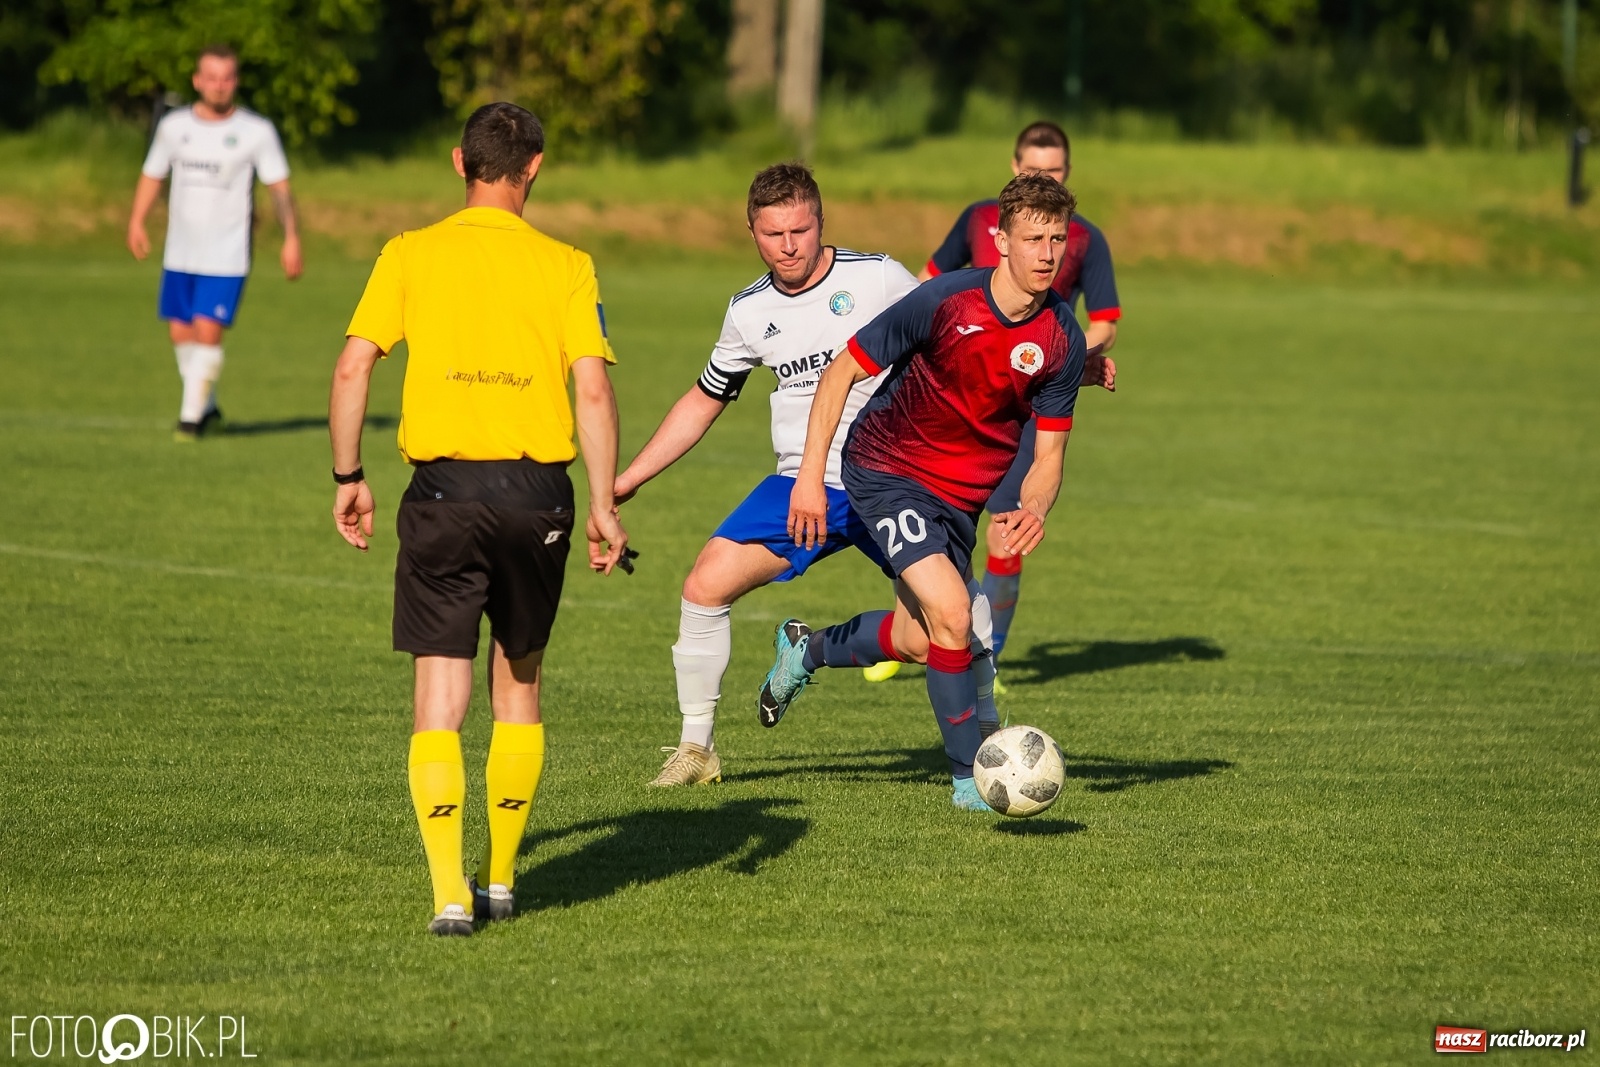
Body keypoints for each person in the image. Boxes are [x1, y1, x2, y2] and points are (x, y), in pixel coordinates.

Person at [327, 102, 627, 936]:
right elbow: (592, 387)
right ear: (535, 168)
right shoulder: (568, 264)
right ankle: (500, 877)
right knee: (518, 681)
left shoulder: (408, 252)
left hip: (442, 493)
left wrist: (350, 474)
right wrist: (603, 503)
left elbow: (353, 367)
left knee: (440, 690)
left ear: (460, 162)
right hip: (539, 496)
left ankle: (448, 894)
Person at [762, 173, 1090, 812]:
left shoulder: (1061, 338)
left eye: (1057, 240)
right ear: (1001, 241)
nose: (1047, 254)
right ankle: (971, 780)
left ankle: (807, 650)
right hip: (888, 469)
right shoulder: (944, 301)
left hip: (960, 499)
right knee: (954, 614)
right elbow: (841, 371)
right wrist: (809, 476)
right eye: (1033, 239)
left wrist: (1034, 507)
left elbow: (1049, 455)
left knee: (923, 639)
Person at [613, 162, 920, 787]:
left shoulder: (878, 278)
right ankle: (696, 750)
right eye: (772, 234)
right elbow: (705, 399)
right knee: (704, 586)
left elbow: (950, 341)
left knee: (937, 635)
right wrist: (630, 479)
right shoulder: (749, 311)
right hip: (803, 486)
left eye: (800, 231)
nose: (788, 247)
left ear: (821, 222)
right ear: (751, 232)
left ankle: (812, 652)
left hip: (891, 477)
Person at [863, 120, 1119, 686]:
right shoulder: (980, 220)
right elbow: (925, 282)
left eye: (1054, 171)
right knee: (923, 519)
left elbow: (1104, 322)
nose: (1044, 178)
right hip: (949, 400)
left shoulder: (1083, 239)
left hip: (1021, 409)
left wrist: (1071, 361)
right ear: (1014, 168)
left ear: (1068, 173)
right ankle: (911, 631)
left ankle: (987, 657)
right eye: (1034, 168)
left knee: (1006, 530)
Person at [128, 45, 303, 442]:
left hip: (227, 254)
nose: (219, 86)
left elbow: (279, 187)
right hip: (180, 251)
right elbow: (153, 174)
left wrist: (291, 237)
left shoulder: (256, 131)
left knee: (208, 331)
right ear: (197, 81)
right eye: (211, 77)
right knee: (180, 334)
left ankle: (189, 420)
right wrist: (137, 221)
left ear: (235, 82)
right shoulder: (174, 127)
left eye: (226, 78)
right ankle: (208, 408)